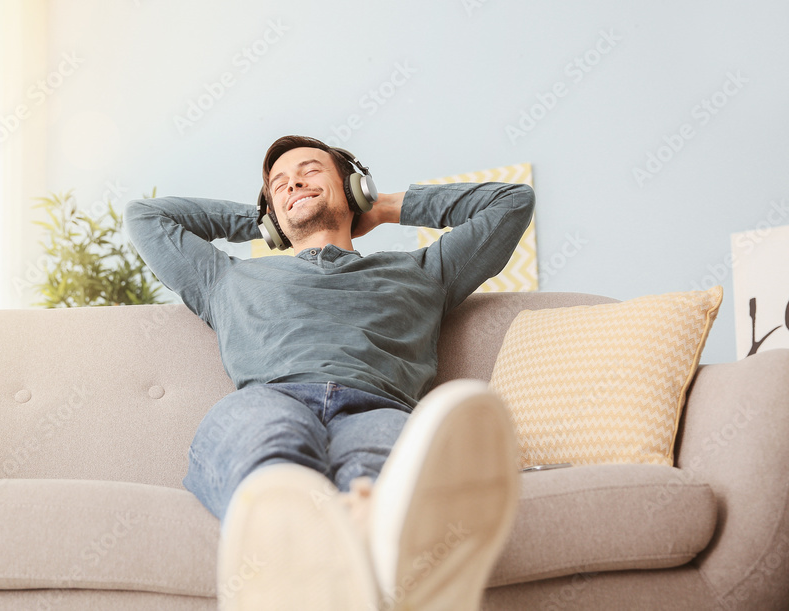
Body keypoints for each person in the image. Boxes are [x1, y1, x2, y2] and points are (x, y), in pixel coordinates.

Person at [124, 135, 536, 611]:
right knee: (272, 464)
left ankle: (375, 554)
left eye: (310, 170)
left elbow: (511, 203)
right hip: (270, 398)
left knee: (389, 481)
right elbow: (146, 216)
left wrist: (378, 206)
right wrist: (267, 221)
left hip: (380, 405)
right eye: (278, 183)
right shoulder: (225, 278)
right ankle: (297, 555)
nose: (293, 181)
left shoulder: (425, 271)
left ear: (352, 187)